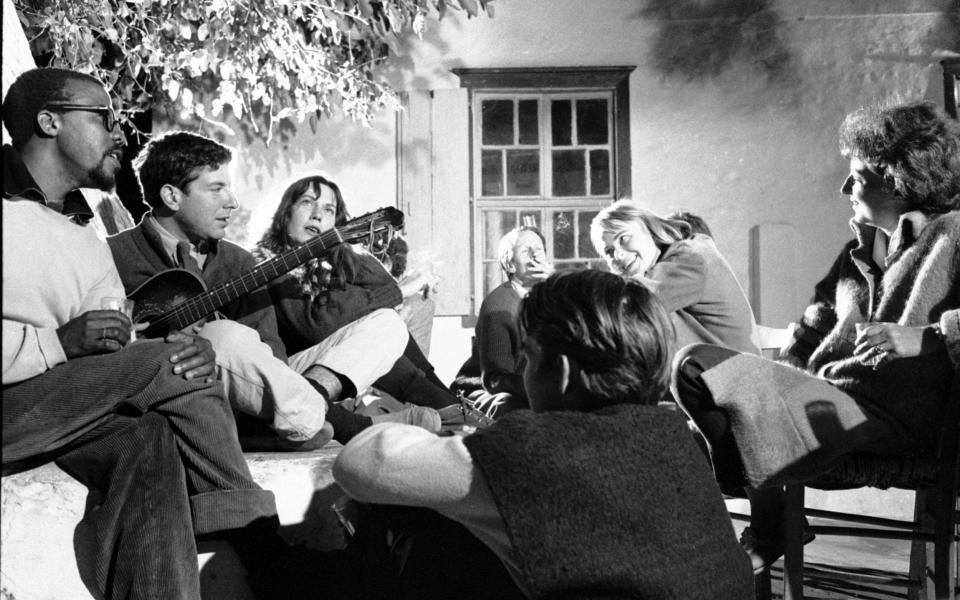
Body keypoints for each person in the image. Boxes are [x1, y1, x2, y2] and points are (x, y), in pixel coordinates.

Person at [2, 66, 291, 599]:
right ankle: (263, 550)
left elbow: (115, 334)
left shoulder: (80, 226)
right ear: (49, 121)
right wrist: (56, 342)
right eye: (103, 118)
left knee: (150, 433)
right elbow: (65, 342)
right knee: (166, 365)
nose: (119, 134)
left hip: (59, 404)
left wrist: (162, 349)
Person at [333, 269, 754, 600]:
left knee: (423, 528)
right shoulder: (680, 438)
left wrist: (410, 422)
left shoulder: (529, 452)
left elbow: (358, 464)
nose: (523, 371)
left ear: (564, 373)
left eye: (529, 359)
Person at [672, 100, 960, 573]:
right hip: (831, 406)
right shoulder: (855, 255)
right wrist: (776, 376)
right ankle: (763, 521)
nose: (845, 187)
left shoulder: (952, 235)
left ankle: (770, 525)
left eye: (859, 175)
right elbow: (808, 333)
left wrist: (928, 337)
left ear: (898, 176)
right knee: (691, 415)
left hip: (896, 420)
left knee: (695, 365)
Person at [107, 132, 437, 448]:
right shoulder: (112, 256)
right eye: (217, 189)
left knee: (387, 325)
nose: (232, 202)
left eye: (230, 189)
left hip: (254, 392)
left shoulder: (238, 262)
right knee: (221, 337)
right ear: (172, 196)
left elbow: (272, 354)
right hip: (170, 397)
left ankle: (296, 420)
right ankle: (345, 426)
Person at [255, 175, 458, 413]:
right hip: (289, 379)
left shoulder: (326, 262)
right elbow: (317, 326)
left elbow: (381, 285)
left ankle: (449, 402)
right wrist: (402, 289)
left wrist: (347, 250)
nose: (317, 215)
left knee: (400, 311)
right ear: (286, 213)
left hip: (337, 373)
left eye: (329, 210)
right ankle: (448, 407)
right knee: (383, 324)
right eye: (307, 202)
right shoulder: (268, 263)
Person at [591, 200, 760, 355]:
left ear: (650, 227)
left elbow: (628, 302)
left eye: (624, 238)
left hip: (736, 381)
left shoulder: (692, 258)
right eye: (609, 252)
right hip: (712, 376)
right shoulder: (664, 266)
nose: (618, 255)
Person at [451, 226, 553, 415]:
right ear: (510, 264)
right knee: (516, 408)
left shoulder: (552, 298)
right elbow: (495, 379)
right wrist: (544, 390)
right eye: (526, 252)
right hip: (482, 390)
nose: (537, 258)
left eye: (539, 251)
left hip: (530, 385)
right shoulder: (498, 306)